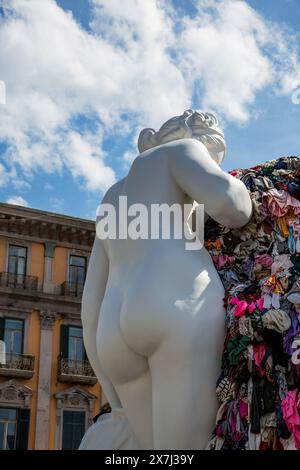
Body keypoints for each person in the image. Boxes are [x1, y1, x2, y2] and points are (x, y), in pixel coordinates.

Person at [80, 109, 252, 450]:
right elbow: (234, 207)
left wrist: (113, 395)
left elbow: (89, 308)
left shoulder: (112, 197)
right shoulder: (182, 152)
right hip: (178, 307)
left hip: (113, 334)